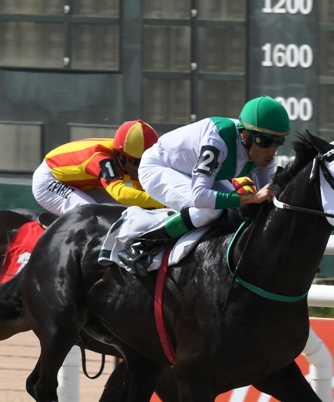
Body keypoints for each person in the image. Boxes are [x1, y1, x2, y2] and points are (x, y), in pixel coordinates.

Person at [116, 96, 291, 274]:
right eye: (265, 141)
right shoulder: (218, 140)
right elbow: (200, 197)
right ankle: (142, 245)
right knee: (209, 210)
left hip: (190, 170)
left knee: (236, 211)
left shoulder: (265, 154)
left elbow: (268, 203)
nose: (272, 150)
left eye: (278, 141)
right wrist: (251, 197)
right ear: (245, 135)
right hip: (158, 167)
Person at [31, 120, 164, 215]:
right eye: (137, 162)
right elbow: (120, 193)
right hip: (50, 180)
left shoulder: (129, 157)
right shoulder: (102, 158)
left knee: (126, 212)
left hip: (84, 185)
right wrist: (163, 202)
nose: (141, 168)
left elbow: (143, 192)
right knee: (92, 214)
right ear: (121, 156)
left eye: (147, 161)